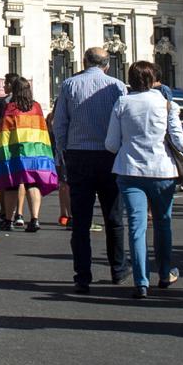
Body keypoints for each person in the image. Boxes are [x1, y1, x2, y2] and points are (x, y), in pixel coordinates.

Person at [52, 46, 128, 294]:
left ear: (84, 62)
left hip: (79, 156)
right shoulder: (118, 86)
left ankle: (82, 275)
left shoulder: (69, 85)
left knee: (81, 221)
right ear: (107, 64)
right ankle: (118, 269)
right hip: (109, 156)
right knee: (114, 217)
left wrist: (63, 152)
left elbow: (60, 123)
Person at [104, 61, 181, 300]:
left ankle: (141, 281)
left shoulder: (122, 103)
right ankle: (165, 273)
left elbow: (111, 144)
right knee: (163, 222)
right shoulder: (167, 104)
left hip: (130, 170)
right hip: (162, 171)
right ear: (153, 80)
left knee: (137, 227)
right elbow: (181, 143)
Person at [0, 75, 58, 234]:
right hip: (35, 152)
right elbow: (42, 129)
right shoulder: (36, 107)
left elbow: (3, 130)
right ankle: (34, 219)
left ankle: (8, 220)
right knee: (32, 184)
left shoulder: (11, 108)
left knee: (12, 185)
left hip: (15, 151)